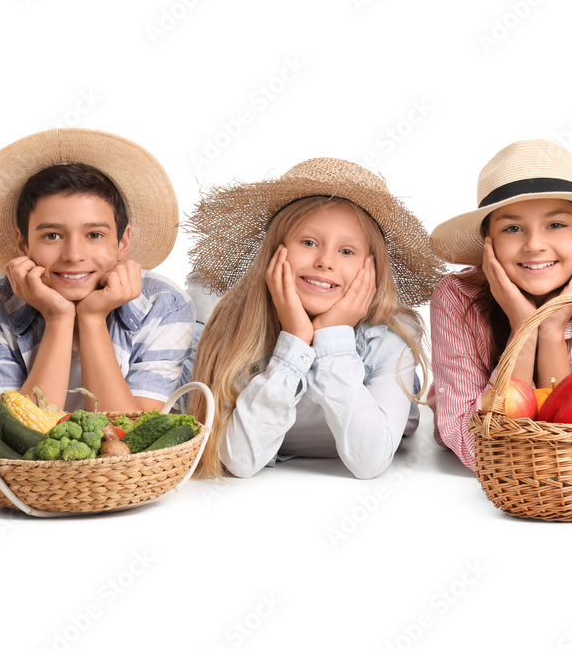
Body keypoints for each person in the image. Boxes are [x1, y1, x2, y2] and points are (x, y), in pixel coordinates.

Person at [185, 157, 444, 479]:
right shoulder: (235, 323)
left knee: (403, 403)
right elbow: (239, 461)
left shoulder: (391, 335)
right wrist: (295, 339)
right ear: (276, 250)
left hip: (375, 374)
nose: (325, 261)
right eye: (308, 243)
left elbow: (370, 462)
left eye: (346, 251)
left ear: (371, 267)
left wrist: (333, 336)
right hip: (224, 333)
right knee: (198, 323)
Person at [427, 139, 572, 472]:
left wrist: (551, 331)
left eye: (556, 225)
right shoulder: (458, 298)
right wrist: (524, 330)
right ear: (489, 240)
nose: (534, 245)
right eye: (512, 228)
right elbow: (475, 447)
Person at [0, 128, 195, 413]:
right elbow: (13, 433)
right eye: (52, 236)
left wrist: (92, 318)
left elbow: (134, 431)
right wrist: (57, 318)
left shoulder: (165, 304)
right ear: (23, 243)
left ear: (122, 242)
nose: (73, 255)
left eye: (94, 235)